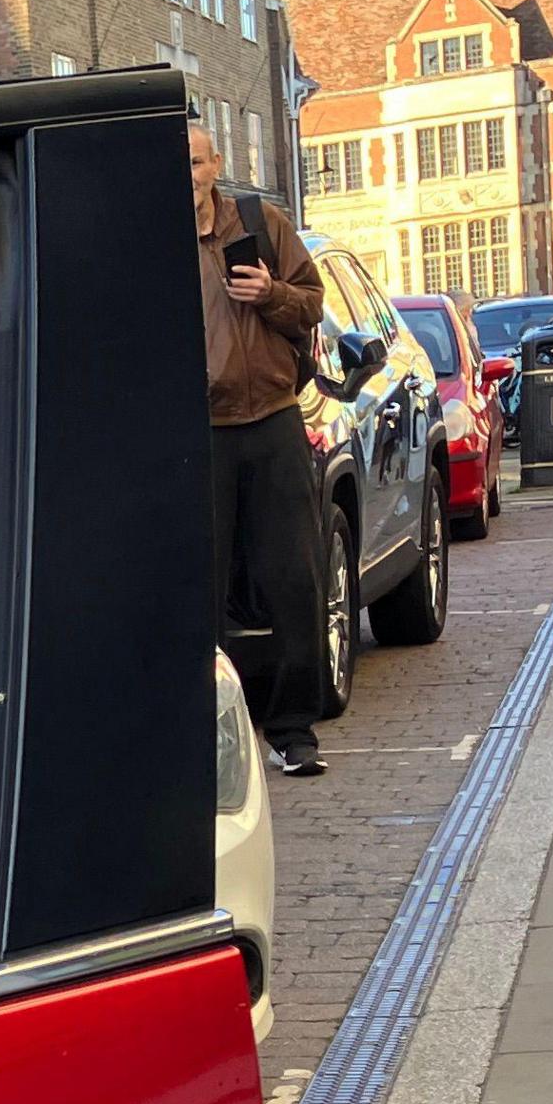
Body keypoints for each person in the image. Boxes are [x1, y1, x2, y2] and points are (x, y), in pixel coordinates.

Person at [192, 120, 333, 777]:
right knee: (200, 586)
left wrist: (269, 293)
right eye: (177, 164)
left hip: (273, 419)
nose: (186, 175)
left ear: (215, 164)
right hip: (199, 432)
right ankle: (211, 736)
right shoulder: (147, 237)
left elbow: (311, 305)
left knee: (293, 578)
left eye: (195, 162)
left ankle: (293, 729)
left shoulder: (259, 221)